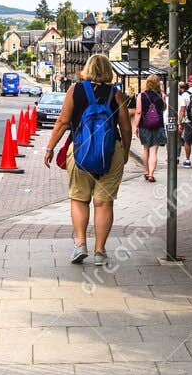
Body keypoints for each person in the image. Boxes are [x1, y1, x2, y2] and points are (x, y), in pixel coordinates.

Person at [45, 53, 133, 266]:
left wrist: (50, 147)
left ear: (88, 69)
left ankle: (80, 244)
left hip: (79, 152)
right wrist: (125, 151)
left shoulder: (75, 90)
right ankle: (100, 251)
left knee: (79, 198)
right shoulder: (116, 94)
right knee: (103, 202)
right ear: (108, 71)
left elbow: (63, 122)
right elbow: (126, 127)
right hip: (110, 153)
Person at [132, 74, 168, 183]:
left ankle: (146, 171)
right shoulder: (161, 95)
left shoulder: (141, 96)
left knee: (145, 149)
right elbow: (164, 108)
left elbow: (138, 112)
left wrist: (135, 126)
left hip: (144, 125)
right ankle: (152, 174)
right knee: (154, 151)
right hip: (158, 125)